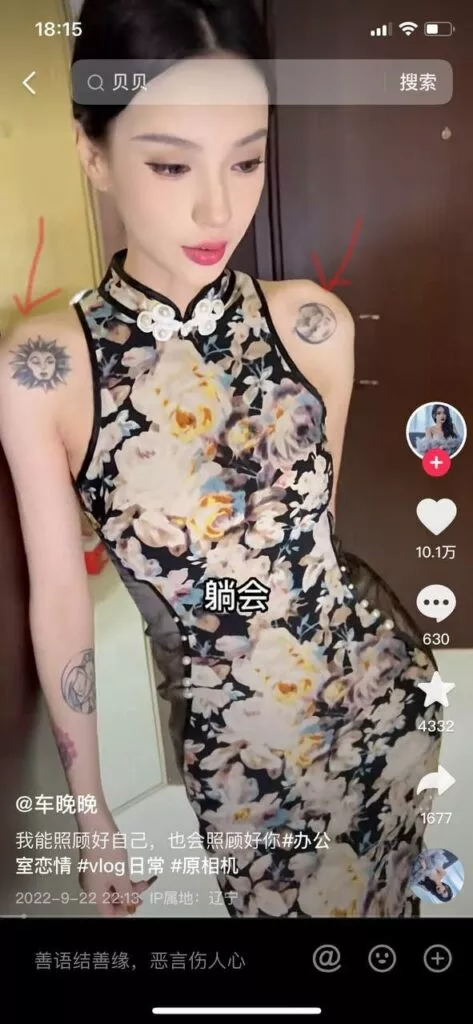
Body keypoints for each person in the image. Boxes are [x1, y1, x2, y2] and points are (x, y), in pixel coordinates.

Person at [0, 0, 441, 918]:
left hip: (379, 700)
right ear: (92, 153)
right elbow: (59, 603)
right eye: (170, 164)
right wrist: (91, 817)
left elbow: (314, 543)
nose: (218, 207)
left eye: (245, 160)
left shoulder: (313, 325)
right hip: (242, 767)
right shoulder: (46, 370)